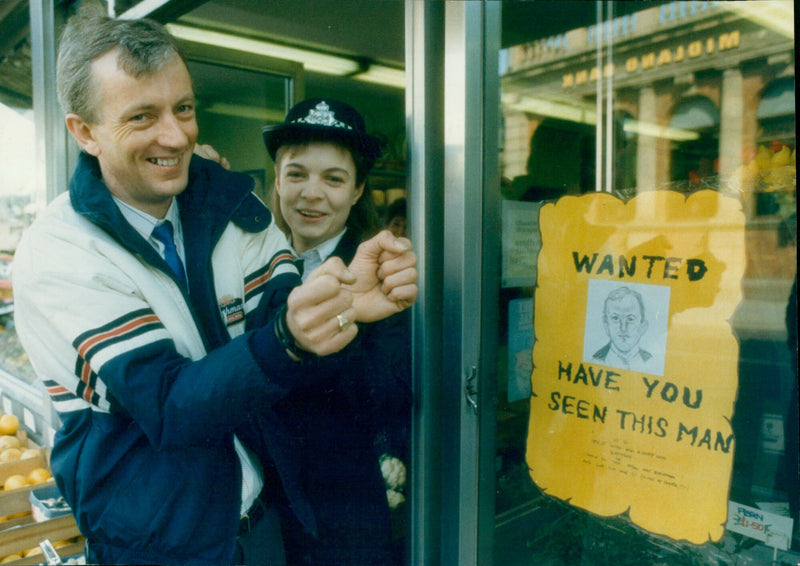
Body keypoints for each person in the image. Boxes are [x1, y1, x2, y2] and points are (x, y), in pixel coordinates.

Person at [11, 14, 417, 566]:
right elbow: (169, 404)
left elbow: (281, 328)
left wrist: (343, 309)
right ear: (84, 132)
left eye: (183, 108)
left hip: (265, 525)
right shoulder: (63, 249)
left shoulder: (234, 209)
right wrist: (292, 335)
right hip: (162, 551)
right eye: (142, 116)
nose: (177, 136)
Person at [262, 98, 411, 565]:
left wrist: (343, 317)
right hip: (267, 509)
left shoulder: (382, 273)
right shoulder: (253, 264)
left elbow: (390, 395)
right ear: (277, 180)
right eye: (296, 174)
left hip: (343, 512)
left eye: (333, 179)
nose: (312, 194)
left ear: (357, 189)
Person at [592, 286, 652, 371]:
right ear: (606, 326)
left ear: (643, 326)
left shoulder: (653, 361)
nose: (623, 328)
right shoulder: (593, 361)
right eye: (615, 318)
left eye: (630, 319)